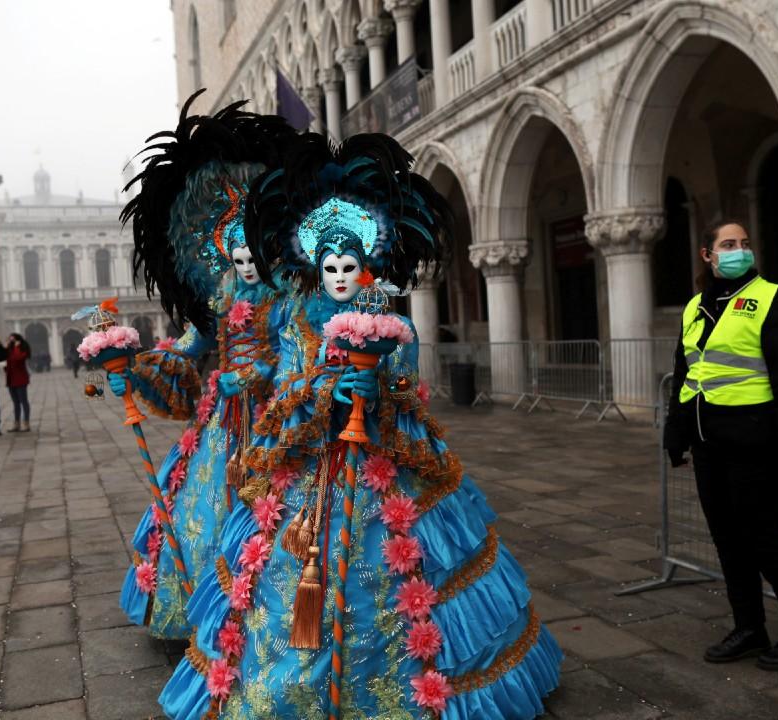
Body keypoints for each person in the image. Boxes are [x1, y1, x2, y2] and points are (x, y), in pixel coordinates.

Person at [159, 133, 561, 719]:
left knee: (402, 581)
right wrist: (327, 389)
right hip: (309, 477)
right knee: (288, 587)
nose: (341, 275)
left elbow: (409, 397)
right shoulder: (297, 323)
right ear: (314, 266)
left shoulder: (389, 323)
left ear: (366, 267)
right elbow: (287, 394)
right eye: (330, 265)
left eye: (351, 266)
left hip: (381, 473)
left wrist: (377, 388)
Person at [108, 93, 298, 641]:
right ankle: (201, 611)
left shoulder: (284, 298)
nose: (245, 268)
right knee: (202, 503)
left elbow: (294, 352)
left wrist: (263, 377)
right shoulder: (219, 299)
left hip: (274, 415)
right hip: (223, 421)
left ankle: (253, 622)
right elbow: (191, 346)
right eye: (236, 260)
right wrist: (136, 360)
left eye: (252, 258)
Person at [663, 219, 778, 671]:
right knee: (728, 541)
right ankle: (750, 627)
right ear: (707, 255)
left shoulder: (772, 298)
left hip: (758, 445)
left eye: (745, 243)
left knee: (763, 539)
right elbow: (686, 374)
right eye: (728, 244)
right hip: (708, 444)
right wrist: (675, 433)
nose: (740, 250)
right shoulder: (696, 306)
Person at [3, 333, 32, 432]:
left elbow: (18, 358)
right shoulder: (9, 350)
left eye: (13, 340)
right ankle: (16, 424)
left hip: (21, 379)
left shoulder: (22, 349)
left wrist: (16, 347)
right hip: (11, 379)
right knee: (15, 403)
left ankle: (26, 423)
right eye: (11, 340)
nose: (12, 342)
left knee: (23, 401)